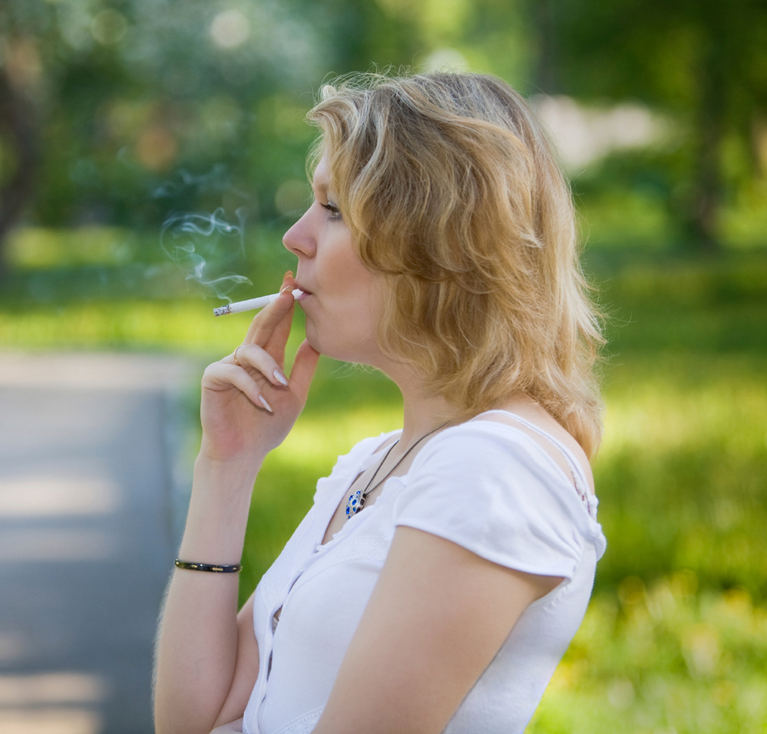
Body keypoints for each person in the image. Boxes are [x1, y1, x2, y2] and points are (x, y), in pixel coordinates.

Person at [153, 71, 607, 734]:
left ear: (437, 245)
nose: (296, 238)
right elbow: (197, 716)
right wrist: (226, 465)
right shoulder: (378, 464)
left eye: (333, 210)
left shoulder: (492, 471)